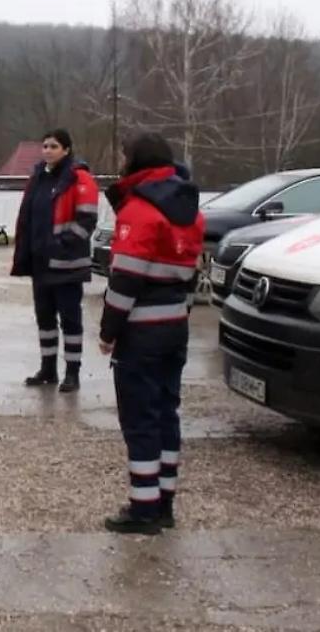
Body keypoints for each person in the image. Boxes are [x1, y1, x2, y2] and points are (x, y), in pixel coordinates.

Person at [98, 133, 205, 535]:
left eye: (124, 157)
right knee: (165, 415)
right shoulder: (190, 210)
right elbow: (192, 274)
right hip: (174, 327)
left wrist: (109, 331)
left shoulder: (140, 210)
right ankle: (164, 503)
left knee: (140, 420)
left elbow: (125, 280)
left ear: (136, 162)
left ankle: (142, 509)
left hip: (141, 333)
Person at [10, 129, 99, 393]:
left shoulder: (79, 178)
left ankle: (72, 372)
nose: (47, 150)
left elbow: (87, 221)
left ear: (67, 150)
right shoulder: (38, 177)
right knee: (45, 319)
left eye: (54, 146)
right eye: (45, 146)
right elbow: (28, 216)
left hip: (67, 265)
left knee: (70, 321)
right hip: (41, 263)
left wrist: (62, 245)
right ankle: (48, 369)